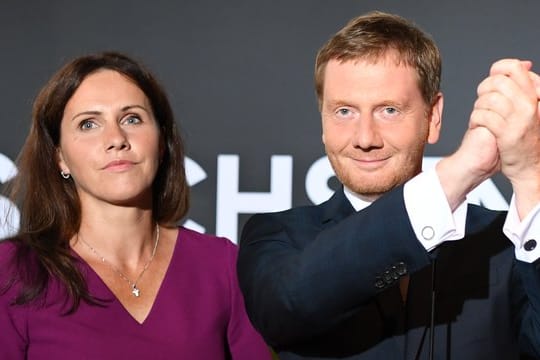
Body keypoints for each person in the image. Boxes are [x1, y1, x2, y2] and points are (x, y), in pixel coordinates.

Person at [237, 11, 540, 359]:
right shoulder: (279, 236)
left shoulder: (505, 244)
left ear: (433, 116)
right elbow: (285, 309)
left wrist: (531, 178)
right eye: (344, 111)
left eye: (389, 110)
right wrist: (465, 168)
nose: (365, 138)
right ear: (322, 121)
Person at [0, 52, 272, 359]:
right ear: (59, 156)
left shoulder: (222, 266)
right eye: (89, 124)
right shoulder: (13, 269)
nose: (116, 139)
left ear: (162, 141)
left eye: (132, 119)